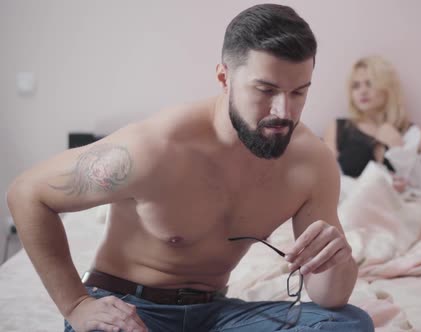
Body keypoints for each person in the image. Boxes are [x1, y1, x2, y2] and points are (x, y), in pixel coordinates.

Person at [6, 4, 373, 332]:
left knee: (349, 324)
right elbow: (27, 193)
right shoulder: (156, 148)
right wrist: (77, 305)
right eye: (265, 90)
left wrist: (338, 263)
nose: (284, 112)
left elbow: (327, 298)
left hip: (217, 314)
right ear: (224, 78)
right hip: (129, 311)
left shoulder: (312, 163)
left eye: (299, 93)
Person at [324, 55, 421, 192]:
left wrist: (397, 146)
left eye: (370, 83)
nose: (362, 91)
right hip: (354, 207)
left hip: (400, 209)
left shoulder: (417, 134)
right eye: (356, 86)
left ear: (387, 88)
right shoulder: (338, 128)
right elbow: (325, 178)